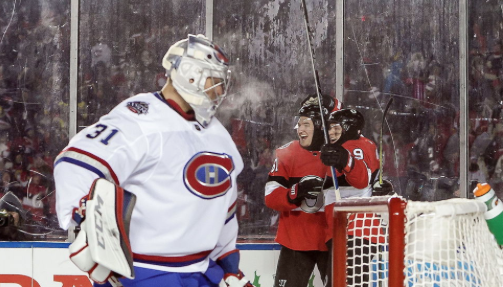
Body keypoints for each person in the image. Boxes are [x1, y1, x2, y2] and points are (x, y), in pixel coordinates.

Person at [54, 34, 254, 287]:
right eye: (216, 81)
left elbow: (223, 206)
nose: (221, 91)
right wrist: (82, 223)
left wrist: (228, 267)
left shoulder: (217, 134)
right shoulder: (140, 117)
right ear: (191, 75)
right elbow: (76, 163)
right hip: (141, 274)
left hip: (203, 272)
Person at [265, 94, 342, 287]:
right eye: (299, 125)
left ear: (320, 125)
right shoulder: (286, 153)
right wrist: (295, 192)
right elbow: (270, 196)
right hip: (295, 241)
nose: (300, 130)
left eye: (306, 124)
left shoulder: (341, 156)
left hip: (331, 240)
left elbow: (359, 190)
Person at [320, 108, 391, 286]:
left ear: (349, 128)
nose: (331, 132)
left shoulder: (354, 146)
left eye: (336, 128)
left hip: (355, 228)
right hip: (354, 229)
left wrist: (345, 159)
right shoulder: (362, 144)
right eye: (330, 128)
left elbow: (360, 179)